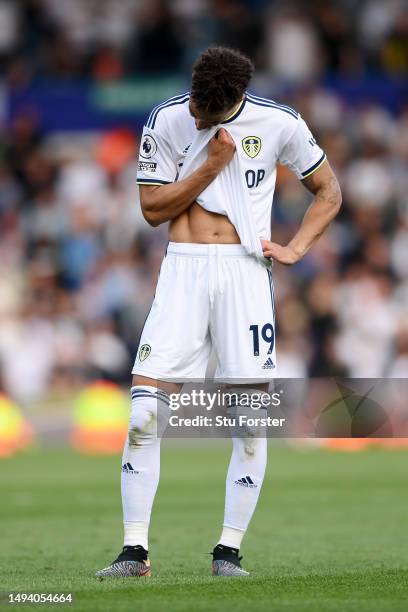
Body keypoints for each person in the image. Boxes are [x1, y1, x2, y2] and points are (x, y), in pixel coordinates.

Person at [96, 46, 341, 578]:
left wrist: (297, 247)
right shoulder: (166, 118)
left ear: (232, 98)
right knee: (144, 414)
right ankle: (133, 550)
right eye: (197, 110)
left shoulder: (279, 123)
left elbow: (328, 191)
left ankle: (228, 550)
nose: (199, 118)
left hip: (245, 274)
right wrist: (210, 166)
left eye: (210, 112)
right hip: (183, 271)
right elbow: (152, 210)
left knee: (251, 423)